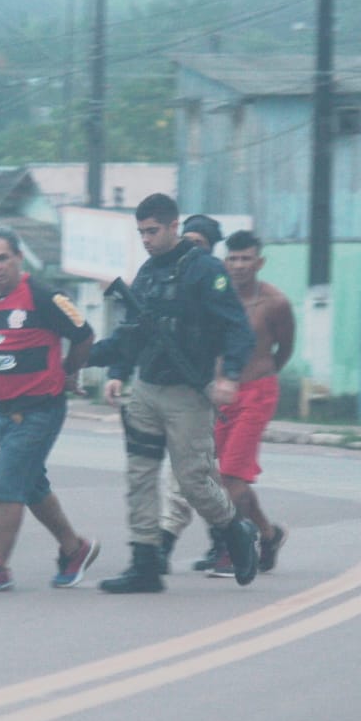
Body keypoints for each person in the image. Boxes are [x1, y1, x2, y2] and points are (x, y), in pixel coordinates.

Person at [87, 194, 258, 593]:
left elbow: (238, 328)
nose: (146, 239)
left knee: (193, 481)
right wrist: (93, 362)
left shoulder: (205, 271)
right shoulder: (146, 274)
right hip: (147, 389)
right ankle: (145, 564)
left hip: (188, 394)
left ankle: (236, 529)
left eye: (153, 231)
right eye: (141, 232)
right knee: (140, 477)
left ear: (173, 226)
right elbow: (131, 335)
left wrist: (230, 375)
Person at [0, 228, 101, 592]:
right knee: (32, 485)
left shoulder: (43, 296)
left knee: (9, 483)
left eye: (1, 258)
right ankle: (75, 549)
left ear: (19, 258)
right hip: (4, 412)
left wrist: (70, 371)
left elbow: (84, 335)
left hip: (39, 409)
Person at [159, 226, 295, 576]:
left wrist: (263, 374)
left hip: (257, 393)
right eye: (232, 258)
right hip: (220, 395)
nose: (238, 265)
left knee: (233, 475)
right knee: (221, 476)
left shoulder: (275, 302)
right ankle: (268, 533)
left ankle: (230, 546)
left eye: (246, 258)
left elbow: (285, 347)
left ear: (259, 261)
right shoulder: (215, 297)